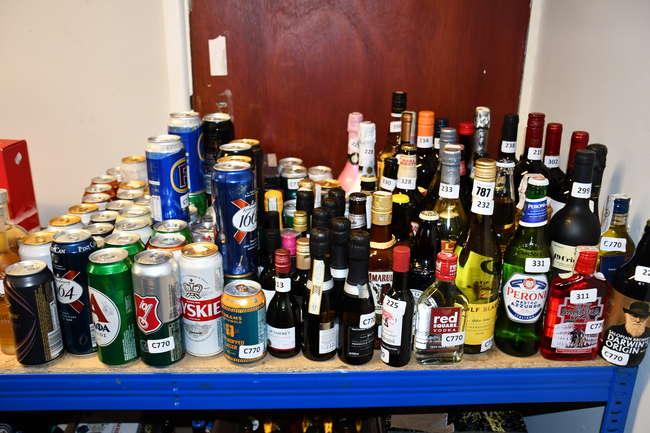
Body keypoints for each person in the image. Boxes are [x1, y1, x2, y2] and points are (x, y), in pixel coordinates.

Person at [602, 301, 650, 366]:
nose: (638, 320)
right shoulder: (614, 329)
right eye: (634, 315)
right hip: (605, 359)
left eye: (642, 317)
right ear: (627, 315)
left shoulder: (647, 332)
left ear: (647, 318)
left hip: (633, 364)